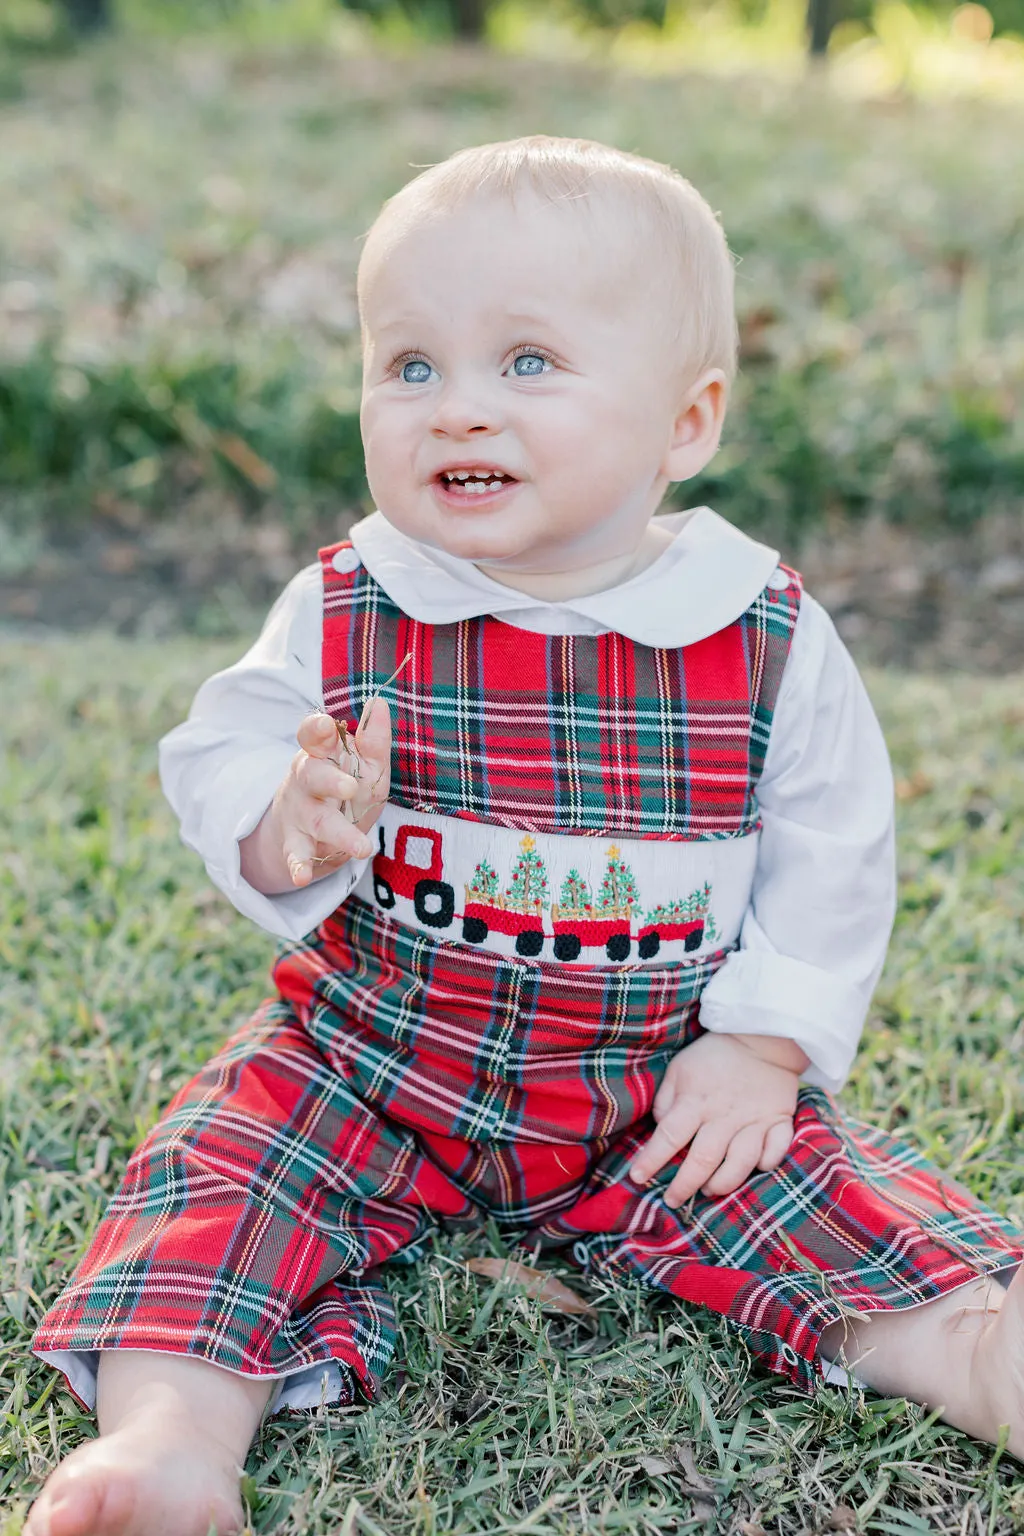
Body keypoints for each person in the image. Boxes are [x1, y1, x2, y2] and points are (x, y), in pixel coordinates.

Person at [26, 136, 1024, 1536]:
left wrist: (762, 1044)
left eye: (529, 364)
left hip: (653, 1085)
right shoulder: (353, 595)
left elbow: (833, 850)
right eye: (410, 365)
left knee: (810, 1195)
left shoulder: (759, 631)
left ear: (687, 425)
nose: (458, 412)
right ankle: (174, 1440)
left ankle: (979, 1350)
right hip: (368, 1060)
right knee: (220, 1181)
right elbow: (226, 745)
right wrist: (284, 815)